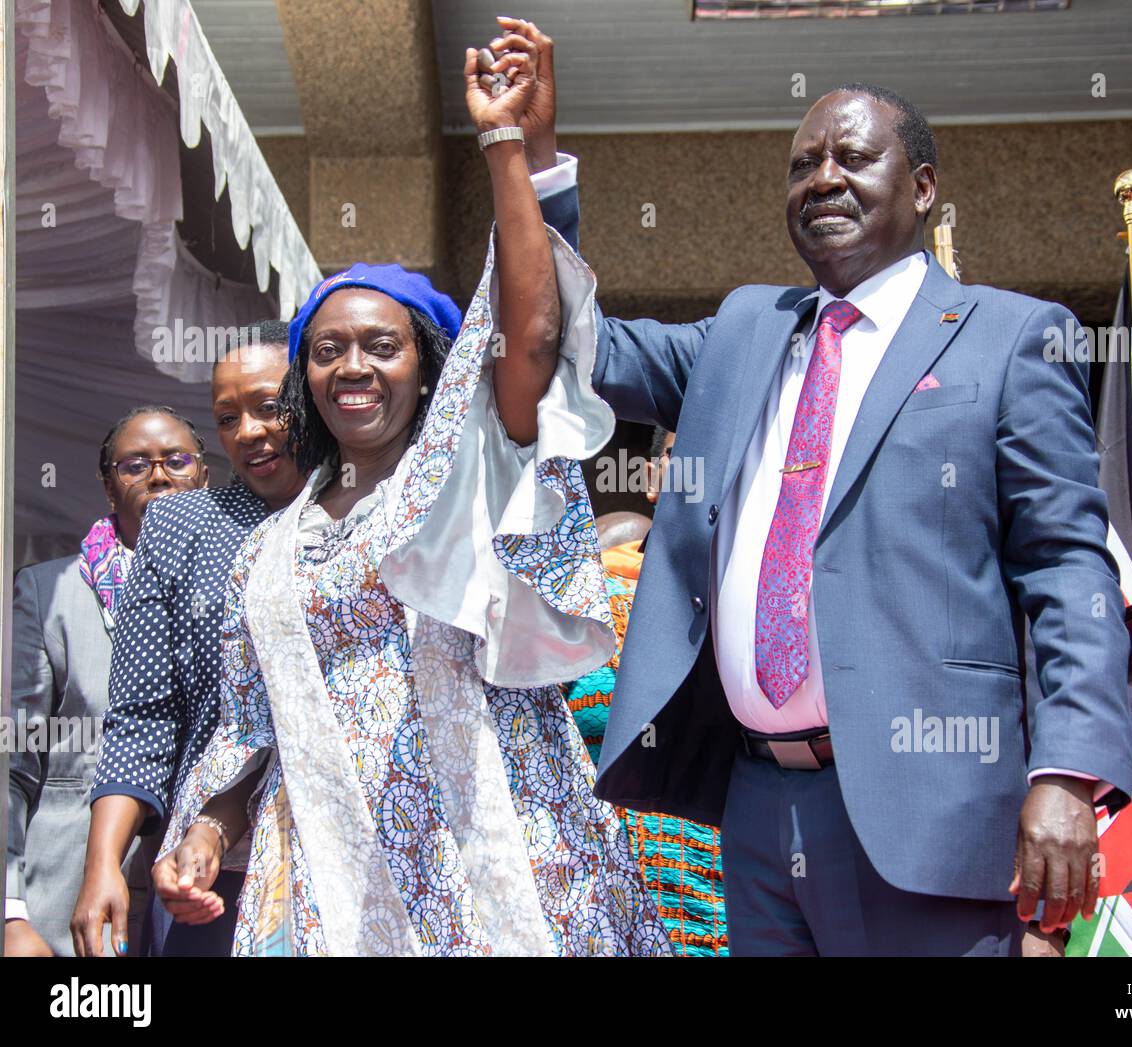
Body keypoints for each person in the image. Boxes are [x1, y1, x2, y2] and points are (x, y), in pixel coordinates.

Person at [508, 22, 1132, 956]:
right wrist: (533, 161)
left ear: (922, 188)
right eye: (802, 166)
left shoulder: (1011, 338)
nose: (823, 180)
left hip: (931, 808)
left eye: (852, 157)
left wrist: (1071, 770)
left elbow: (1064, 566)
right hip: (757, 809)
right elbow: (567, 339)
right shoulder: (743, 331)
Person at [148, 36, 670, 957]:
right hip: (324, 889)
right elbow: (245, 730)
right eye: (328, 348)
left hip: (498, 871)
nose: (353, 365)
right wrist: (207, 831)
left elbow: (531, 330)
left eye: (381, 347)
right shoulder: (264, 557)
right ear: (304, 374)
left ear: (429, 373)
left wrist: (509, 146)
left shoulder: (467, 480)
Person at [73, 321, 305, 958]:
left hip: (360, 853)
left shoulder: (371, 510)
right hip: (208, 874)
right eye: (227, 418)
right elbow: (142, 716)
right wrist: (103, 866)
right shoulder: (181, 522)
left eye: (269, 406)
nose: (248, 432)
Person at [6, 406, 208, 956]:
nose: (159, 475)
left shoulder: (239, 585)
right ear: (108, 487)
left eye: (177, 460)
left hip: (196, 899)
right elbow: (12, 766)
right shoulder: (51, 594)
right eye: (135, 465)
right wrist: (10, 914)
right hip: (64, 904)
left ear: (204, 476)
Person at [565, 426, 729, 956]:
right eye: (686, 458)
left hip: (737, 913)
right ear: (654, 476)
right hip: (595, 910)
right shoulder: (587, 595)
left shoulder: (775, 614)